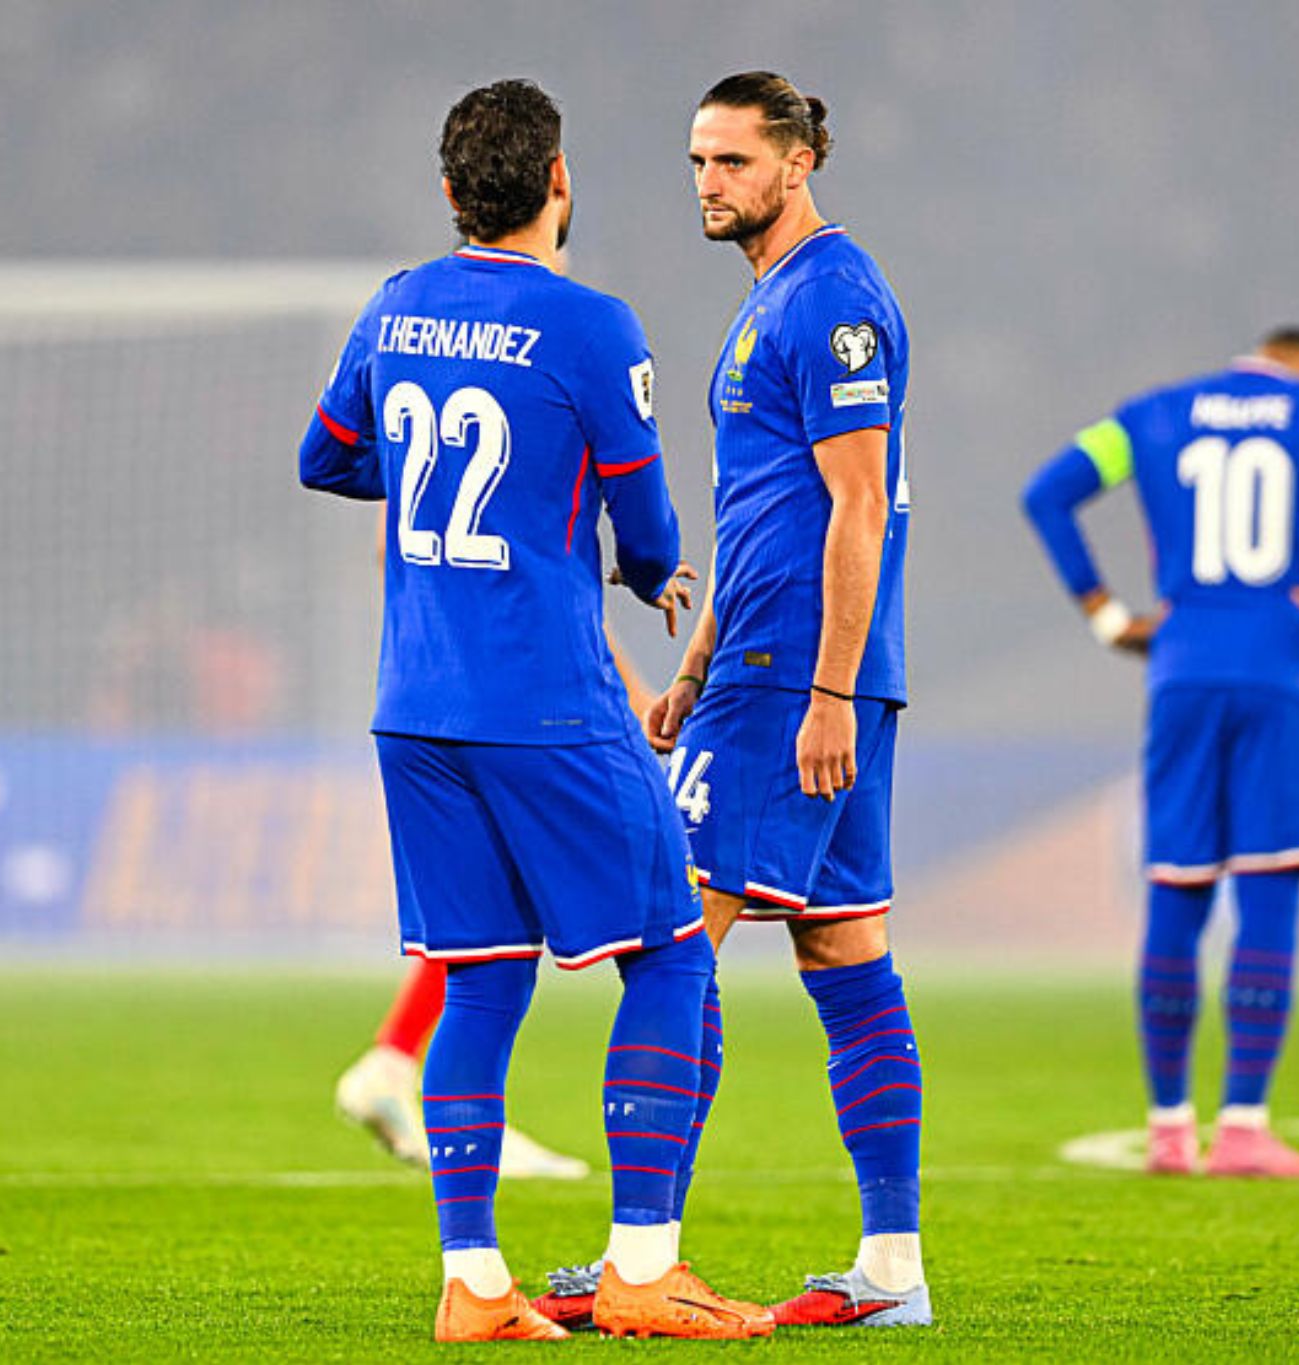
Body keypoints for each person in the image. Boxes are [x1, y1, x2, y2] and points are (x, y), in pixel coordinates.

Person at [299, 79, 771, 1341]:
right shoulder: (590, 327)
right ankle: (638, 1269)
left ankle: (476, 1286)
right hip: (548, 704)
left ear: (452, 194)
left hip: (414, 704)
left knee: (477, 981)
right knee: (671, 956)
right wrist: (632, 567)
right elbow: (650, 531)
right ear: (558, 184)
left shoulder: (396, 306)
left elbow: (325, 454)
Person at [545, 72, 932, 1330]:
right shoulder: (776, 301)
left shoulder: (829, 301)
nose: (707, 184)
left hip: (797, 681)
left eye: (730, 162)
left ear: (798, 161)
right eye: (696, 162)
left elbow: (858, 508)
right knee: (842, 950)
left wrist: (817, 689)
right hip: (768, 666)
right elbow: (766, 517)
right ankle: (890, 1273)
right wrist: (694, 667)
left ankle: (636, 1265)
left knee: (666, 943)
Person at [1020, 326, 1299, 1178]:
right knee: (1268, 885)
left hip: (1183, 671)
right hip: (1286, 672)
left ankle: (1168, 1127)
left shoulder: (1150, 416)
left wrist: (1106, 613)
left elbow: (1048, 493)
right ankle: (1243, 1123)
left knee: (1177, 883)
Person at [331, 617, 659, 1184]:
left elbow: (397, 545)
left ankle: (401, 1063)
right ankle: (464, 1116)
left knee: (491, 913)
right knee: (659, 935)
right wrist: (633, 695)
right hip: (518, 709)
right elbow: (563, 588)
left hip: (424, 706)